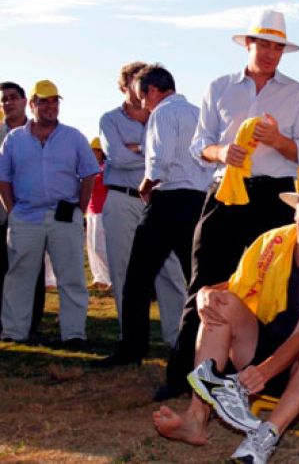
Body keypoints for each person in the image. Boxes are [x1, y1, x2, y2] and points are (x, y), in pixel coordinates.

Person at [160, 8, 299, 402]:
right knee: (203, 283)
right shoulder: (219, 87)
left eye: (277, 47)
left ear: (284, 52)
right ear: (248, 44)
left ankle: (259, 375)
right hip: (226, 194)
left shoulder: (297, 93)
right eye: (263, 44)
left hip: (274, 197)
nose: (270, 53)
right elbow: (200, 145)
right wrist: (222, 152)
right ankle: (182, 375)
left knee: (272, 284)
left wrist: (279, 140)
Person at [152, 172, 299, 464]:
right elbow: (239, 286)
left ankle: (265, 436)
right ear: (295, 209)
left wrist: (264, 371)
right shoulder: (273, 243)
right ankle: (196, 418)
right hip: (268, 355)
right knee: (220, 303)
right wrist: (207, 292)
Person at [94, 65, 212, 367]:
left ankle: (132, 348)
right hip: (198, 199)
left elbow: (159, 160)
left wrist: (146, 186)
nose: (143, 105)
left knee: (137, 278)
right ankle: (199, 347)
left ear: (153, 91)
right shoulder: (199, 113)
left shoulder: (161, 113)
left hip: (168, 200)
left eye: (142, 97)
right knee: (195, 278)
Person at [0, 80, 100, 344]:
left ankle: (74, 334)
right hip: (26, 216)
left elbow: (90, 173)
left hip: (63, 216)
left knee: (72, 278)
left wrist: (79, 209)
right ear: (32, 105)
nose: (49, 106)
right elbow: (3, 178)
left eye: (54, 100)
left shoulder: (74, 136)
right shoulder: (14, 139)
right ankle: (14, 332)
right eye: (43, 101)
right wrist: (12, 211)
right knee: (19, 278)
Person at [99, 62, 186, 347]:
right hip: (123, 197)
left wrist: (138, 148)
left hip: (161, 199)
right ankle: (131, 338)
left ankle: (177, 338)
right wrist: (154, 153)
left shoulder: (162, 113)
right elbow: (118, 159)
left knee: (171, 272)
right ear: (124, 88)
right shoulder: (109, 120)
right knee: (124, 271)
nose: (138, 95)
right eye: (131, 87)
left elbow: (170, 156)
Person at [0, 81, 46, 333]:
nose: (7, 102)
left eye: (12, 97)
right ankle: (7, 322)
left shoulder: (40, 131)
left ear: (24, 101)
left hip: (31, 213)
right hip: (4, 212)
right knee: (5, 269)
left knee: (32, 269)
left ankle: (32, 321)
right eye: (3, 99)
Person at [86, 138, 111, 290]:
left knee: (100, 246)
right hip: (91, 210)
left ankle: (109, 278)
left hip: (103, 210)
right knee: (91, 246)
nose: (92, 153)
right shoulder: (90, 167)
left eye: (95, 150)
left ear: (101, 152)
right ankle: (99, 277)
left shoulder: (106, 167)